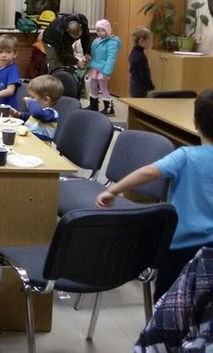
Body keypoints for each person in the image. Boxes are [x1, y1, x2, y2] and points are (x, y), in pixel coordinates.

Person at [96, 88, 213, 302]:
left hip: (181, 246)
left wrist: (113, 190)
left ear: (195, 122)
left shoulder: (186, 156)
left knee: (168, 300)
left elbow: (149, 172)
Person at [8, 74, 64, 143]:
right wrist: (19, 115)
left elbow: (36, 113)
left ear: (46, 100)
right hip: (28, 142)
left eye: (32, 97)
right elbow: (33, 117)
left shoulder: (52, 114)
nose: (29, 98)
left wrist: (29, 101)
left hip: (40, 147)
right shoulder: (41, 112)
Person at [86, 19, 122, 115]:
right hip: (95, 67)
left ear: (108, 30)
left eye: (103, 30)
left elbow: (111, 58)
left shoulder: (112, 42)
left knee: (103, 87)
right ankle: (93, 105)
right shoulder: (96, 41)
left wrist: (107, 71)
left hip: (103, 69)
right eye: (98, 30)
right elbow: (93, 54)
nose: (100, 33)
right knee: (93, 85)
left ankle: (109, 108)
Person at [129, 26, 155, 98]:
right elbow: (144, 74)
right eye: (150, 41)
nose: (151, 43)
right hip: (139, 87)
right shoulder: (141, 57)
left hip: (133, 84)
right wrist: (150, 86)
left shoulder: (133, 52)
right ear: (142, 41)